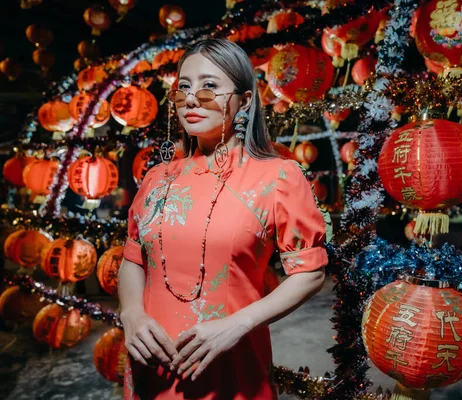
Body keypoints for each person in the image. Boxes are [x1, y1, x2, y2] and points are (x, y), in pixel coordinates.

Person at [118, 38, 330, 400]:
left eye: (209, 86)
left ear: (245, 100)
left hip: (231, 369)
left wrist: (237, 325)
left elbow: (310, 272)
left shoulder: (278, 177)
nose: (191, 98)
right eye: (183, 86)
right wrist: (132, 314)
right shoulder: (156, 178)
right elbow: (132, 259)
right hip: (151, 371)